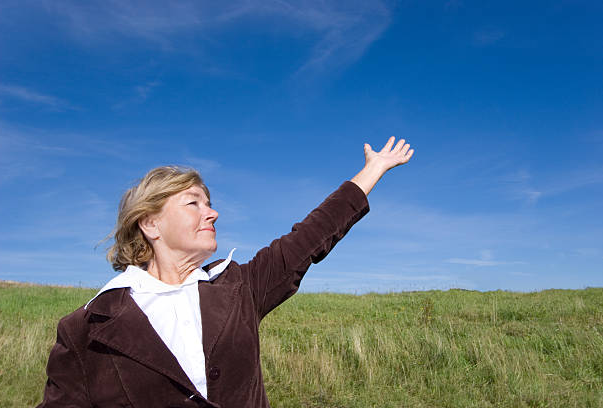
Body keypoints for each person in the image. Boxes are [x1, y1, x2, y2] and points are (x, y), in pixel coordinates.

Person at [37, 137, 414, 408]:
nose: (212, 212)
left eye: (210, 203)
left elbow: (310, 237)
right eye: (193, 203)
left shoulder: (239, 288)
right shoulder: (86, 327)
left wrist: (372, 171)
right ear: (150, 224)